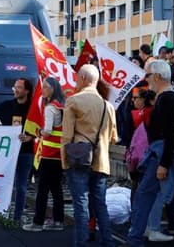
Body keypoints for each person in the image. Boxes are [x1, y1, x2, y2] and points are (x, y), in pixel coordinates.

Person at [61, 64, 118, 247]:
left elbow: (67, 135)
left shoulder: (73, 101)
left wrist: (64, 161)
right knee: (100, 203)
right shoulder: (107, 105)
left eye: (78, 77)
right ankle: (108, 241)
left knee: (81, 204)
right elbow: (114, 137)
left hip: (78, 158)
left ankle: (82, 243)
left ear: (83, 79)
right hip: (101, 160)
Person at [127, 60, 174, 245]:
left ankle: (135, 238)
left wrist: (163, 163)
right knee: (146, 195)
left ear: (157, 76)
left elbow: (170, 134)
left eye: (147, 75)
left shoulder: (168, 99)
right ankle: (137, 236)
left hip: (159, 156)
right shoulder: (167, 97)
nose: (146, 79)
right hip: (158, 155)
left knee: (145, 195)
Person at [0, 78, 35, 224]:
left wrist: (31, 137)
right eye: (15, 87)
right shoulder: (7, 105)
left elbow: (40, 126)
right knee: (0, 181)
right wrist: (2, 131)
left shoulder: (33, 108)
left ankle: (17, 217)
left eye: (19, 87)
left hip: (26, 151)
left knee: (21, 185)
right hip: (7, 152)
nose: (15, 90)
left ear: (27, 90)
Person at [23, 77, 66, 232]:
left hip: (47, 154)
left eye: (46, 87)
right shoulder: (61, 106)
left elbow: (47, 131)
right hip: (59, 154)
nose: (43, 90)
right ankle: (58, 221)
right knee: (56, 189)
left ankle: (38, 222)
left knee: (42, 189)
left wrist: (38, 132)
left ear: (53, 89)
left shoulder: (50, 108)